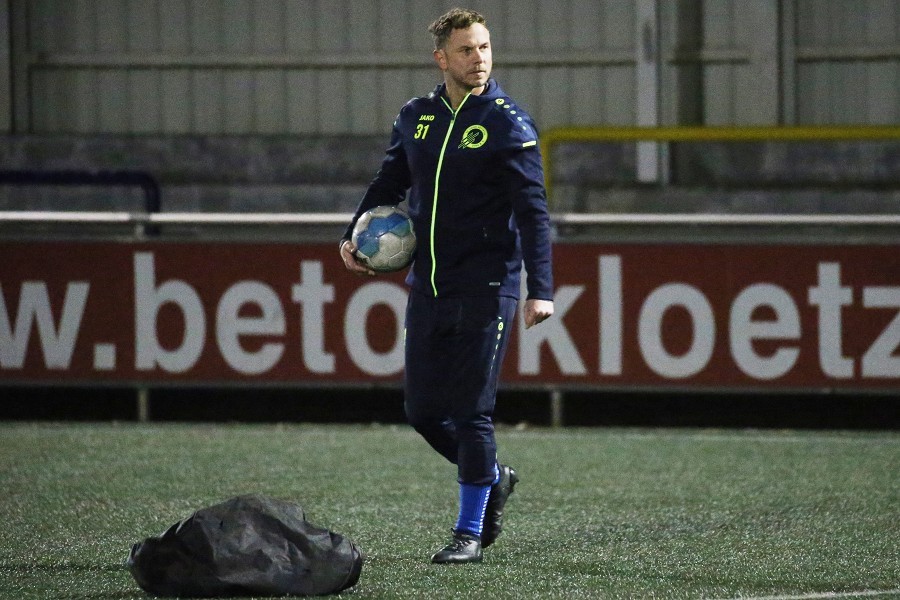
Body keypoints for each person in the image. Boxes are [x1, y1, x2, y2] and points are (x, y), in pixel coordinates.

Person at [340, 7, 554, 564]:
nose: (478, 59)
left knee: (471, 411)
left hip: (489, 285)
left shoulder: (508, 122)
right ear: (442, 58)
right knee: (422, 412)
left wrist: (541, 288)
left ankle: (468, 533)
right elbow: (389, 180)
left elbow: (533, 213)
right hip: (429, 285)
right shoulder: (417, 116)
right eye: (466, 50)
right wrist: (352, 236)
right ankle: (493, 477)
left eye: (484, 48)